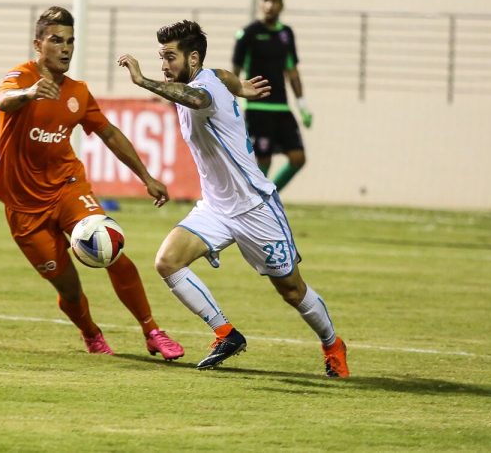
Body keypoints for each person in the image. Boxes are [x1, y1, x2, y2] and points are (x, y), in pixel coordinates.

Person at [117, 20, 349, 377]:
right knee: (167, 262)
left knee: (291, 290)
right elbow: (223, 75)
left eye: (169, 57)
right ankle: (226, 334)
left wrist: (145, 81)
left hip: (254, 206)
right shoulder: (209, 76)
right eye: (160, 57)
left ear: (192, 58)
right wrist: (240, 86)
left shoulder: (200, 89)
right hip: (215, 207)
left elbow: (200, 98)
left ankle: (333, 343)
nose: (164, 65)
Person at [0, 6, 184, 360]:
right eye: (56, 41)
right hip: (23, 206)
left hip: (68, 187)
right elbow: (4, 100)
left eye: (70, 42)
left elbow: (109, 133)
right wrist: (30, 94)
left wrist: (146, 177)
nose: (65, 48)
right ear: (38, 44)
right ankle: (91, 333)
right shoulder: (21, 78)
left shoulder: (78, 92)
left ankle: (152, 330)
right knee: (67, 286)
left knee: (111, 246)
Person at [232, 0, 311, 192]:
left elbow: (292, 71)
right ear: (260, 3)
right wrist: (230, 102)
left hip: (281, 107)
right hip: (257, 107)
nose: (269, 5)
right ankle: (255, 203)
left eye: (274, 1)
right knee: (263, 160)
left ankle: (268, 197)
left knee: (298, 158)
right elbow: (235, 72)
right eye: (265, 0)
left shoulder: (286, 34)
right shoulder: (248, 34)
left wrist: (302, 105)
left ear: (281, 5)